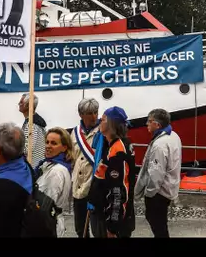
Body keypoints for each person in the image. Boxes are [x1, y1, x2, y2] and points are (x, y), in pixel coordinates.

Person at [87, 106, 136, 238]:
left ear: (111, 124)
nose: (99, 122)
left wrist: (113, 226)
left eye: (102, 120)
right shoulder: (111, 146)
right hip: (103, 212)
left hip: (113, 221)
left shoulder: (118, 150)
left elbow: (119, 191)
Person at [135, 108, 182, 238]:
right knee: (160, 222)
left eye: (149, 121)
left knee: (156, 222)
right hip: (169, 187)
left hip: (159, 192)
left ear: (157, 125)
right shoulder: (174, 136)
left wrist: (149, 193)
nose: (146, 124)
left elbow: (156, 173)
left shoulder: (159, 145)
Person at [70, 98, 104, 238]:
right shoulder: (75, 132)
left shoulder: (103, 131)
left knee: (98, 229)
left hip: (94, 184)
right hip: (78, 185)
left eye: (95, 112)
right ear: (81, 114)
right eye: (90, 113)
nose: (94, 116)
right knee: (80, 228)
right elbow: (72, 156)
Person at [33, 127, 74, 237]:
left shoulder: (57, 171)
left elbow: (44, 204)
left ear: (64, 147)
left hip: (47, 224)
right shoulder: (47, 164)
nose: (48, 146)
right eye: (47, 142)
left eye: (54, 143)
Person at [18, 93, 47, 167]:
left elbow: (28, 148)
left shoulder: (32, 124)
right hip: (36, 165)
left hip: (33, 166)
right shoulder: (34, 122)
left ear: (28, 105)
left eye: (21, 102)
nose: (19, 104)